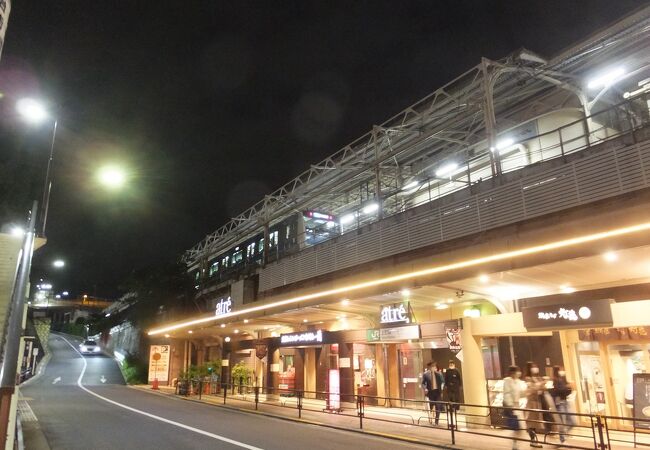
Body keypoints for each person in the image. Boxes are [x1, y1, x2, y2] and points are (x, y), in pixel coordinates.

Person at [503, 365, 526, 450]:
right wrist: (510, 406)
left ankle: (515, 444)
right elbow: (507, 394)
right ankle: (515, 444)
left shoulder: (518, 381)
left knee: (521, 427)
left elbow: (520, 393)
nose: (518, 373)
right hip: (512, 406)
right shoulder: (507, 381)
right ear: (512, 372)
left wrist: (527, 392)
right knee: (516, 426)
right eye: (517, 371)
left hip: (518, 405)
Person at [524, 362, 544, 448]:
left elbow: (540, 389)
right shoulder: (528, 378)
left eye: (536, 366)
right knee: (531, 422)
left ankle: (534, 440)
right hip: (531, 402)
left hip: (537, 401)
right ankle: (533, 440)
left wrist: (542, 385)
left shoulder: (537, 378)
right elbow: (532, 389)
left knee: (535, 423)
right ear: (529, 368)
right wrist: (540, 384)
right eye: (533, 367)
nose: (535, 368)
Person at [552, 366, 574, 444]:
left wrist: (568, 387)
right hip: (559, 403)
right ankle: (562, 439)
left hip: (565, 401)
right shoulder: (555, 380)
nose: (562, 371)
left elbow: (568, 390)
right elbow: (559, 390)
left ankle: (564, 435)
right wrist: (567, 387)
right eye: (560, 370)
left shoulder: (563, 379)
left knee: (572, 421)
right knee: (561, 421)